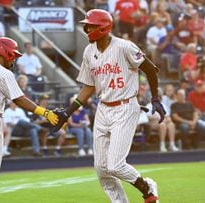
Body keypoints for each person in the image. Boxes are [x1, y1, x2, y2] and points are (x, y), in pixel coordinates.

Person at [52, 9, 165, 203]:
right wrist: (69, 111)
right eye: (86, 26)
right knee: (102, 169)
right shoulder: (89, 51)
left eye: (91, 25)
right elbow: (89, 86)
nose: (87, 29)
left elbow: (150, 69)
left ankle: (147, 188)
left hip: (125, 106)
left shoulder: (124, 47)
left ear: (104, 27)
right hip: (103, 108)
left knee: (115, 165)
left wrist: (155, 98)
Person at [0, 37, 58, 203]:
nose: (13, 59)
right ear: (4, 52)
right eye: (12, 55)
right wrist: (45, 112)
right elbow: (19, 99)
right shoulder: (3, 73)